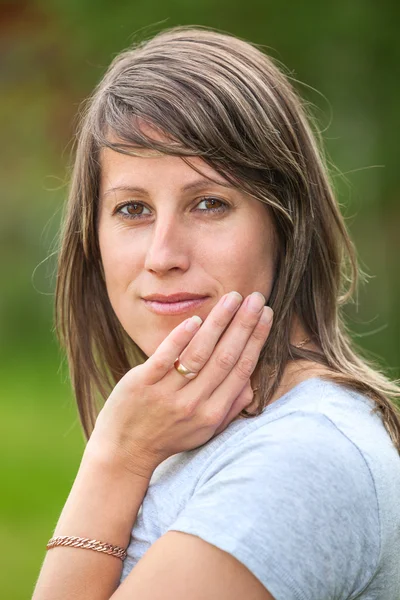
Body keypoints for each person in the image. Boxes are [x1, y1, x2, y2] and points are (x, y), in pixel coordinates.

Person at [32, 25, 400, 600]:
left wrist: (114, 462)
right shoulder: (190, 434)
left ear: (285, 223)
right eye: (132, 208)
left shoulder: (302, 459)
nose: (162, 256)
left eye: (209, 203)